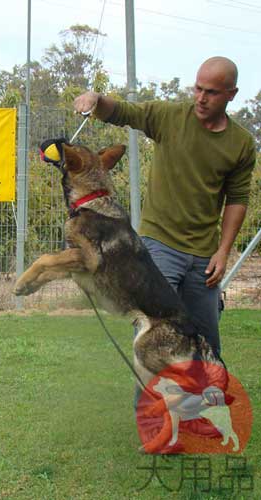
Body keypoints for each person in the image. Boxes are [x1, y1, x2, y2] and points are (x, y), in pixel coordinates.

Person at [73, 56, 256, 355]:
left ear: (231, 94)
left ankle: (205, 401)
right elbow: (122, 111)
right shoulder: (168, 117)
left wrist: (223, 252)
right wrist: (96, 99)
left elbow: (237, 198)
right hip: (159, 247)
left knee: (205, 343)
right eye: (197, 89)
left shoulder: (241, 144)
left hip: (204, 256)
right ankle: (149, 404)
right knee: (153, 340)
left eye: (211, 92)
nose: (201, 98)